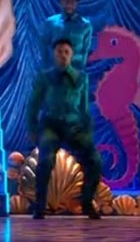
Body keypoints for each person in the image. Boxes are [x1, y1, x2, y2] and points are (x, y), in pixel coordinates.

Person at [26, 38, 102, 220]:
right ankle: (40, 205)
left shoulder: (81, 78)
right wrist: (33, 129)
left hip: (74, 127)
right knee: (45, 160)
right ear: (54, 54)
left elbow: (84, 109)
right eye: (59, 52)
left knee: (95, 160)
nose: (63, 55)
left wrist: (88, 132)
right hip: (50, 126)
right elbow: (33, 105)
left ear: (72, 55)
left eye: (66, 52)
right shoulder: (45, 77)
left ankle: (86, 201)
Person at [40, 0, 93, 73]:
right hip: (55, 70)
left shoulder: (85, 25)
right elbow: (45, 46)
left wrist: (80, 70)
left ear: (76, 4)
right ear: (61, 2)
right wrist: (46, 69)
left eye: (72, 2)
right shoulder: (51, 22)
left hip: (76, 70)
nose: (69, 5)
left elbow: (85, 50)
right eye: (66, 1)